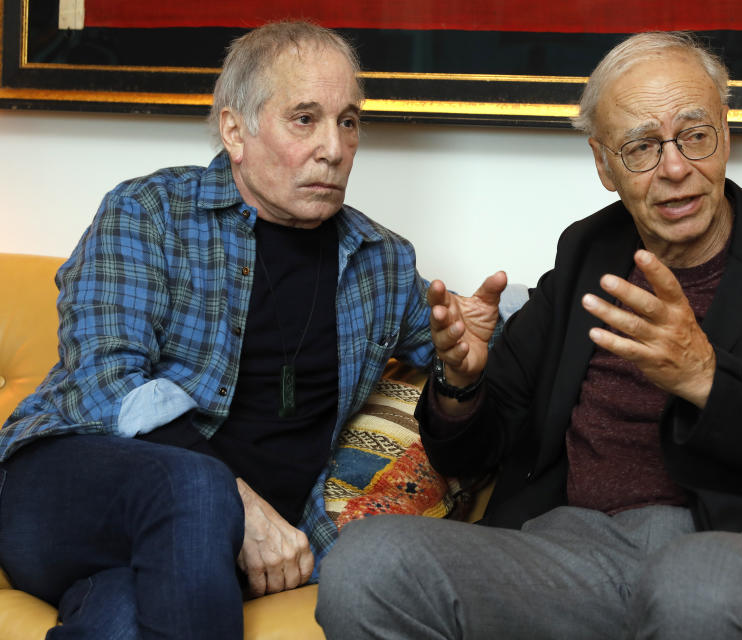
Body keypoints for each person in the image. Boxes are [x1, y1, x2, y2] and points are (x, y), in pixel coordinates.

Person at [315, 32, 742, 640]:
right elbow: (473, 453)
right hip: (580, 553)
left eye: (695, 135)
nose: (675, 167)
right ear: (603, 164)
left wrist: (706, 378)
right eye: (641, 146)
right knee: (369, 563)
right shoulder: (590, 251)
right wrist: (461, 383)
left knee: (697, 584)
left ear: (726, 131)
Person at [0, 21, 439, 638]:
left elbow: (467, 350)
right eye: (305, 118)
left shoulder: (380, 260)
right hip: (64, 496)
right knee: (198, 483)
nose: (334, 148)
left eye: (348, 121)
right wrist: (242, 508)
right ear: (236, 130)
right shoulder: (149, 212)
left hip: (197, 560)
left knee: (121, 620)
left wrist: (474, 350)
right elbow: (106, 378)